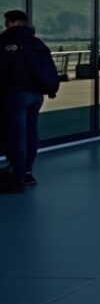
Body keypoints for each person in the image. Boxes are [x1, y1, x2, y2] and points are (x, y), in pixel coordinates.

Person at [0, 10, 60, 193]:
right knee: (31, 132)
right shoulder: (36, 43)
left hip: (15, 95)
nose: (5, 26)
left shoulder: (5, 43)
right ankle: (27, 173)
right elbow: (48, 67)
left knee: (16, 135)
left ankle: (16, 177)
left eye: (7, 22)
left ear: (16, 22)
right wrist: (50, 87)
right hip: (36, 96)